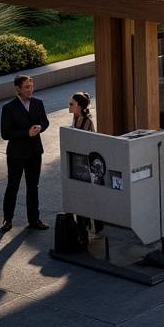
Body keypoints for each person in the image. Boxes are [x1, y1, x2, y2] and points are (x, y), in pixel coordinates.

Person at [0, 74, 50, 232]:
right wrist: (26, 133)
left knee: (33, 186)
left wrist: (40, 128)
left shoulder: (38, 103)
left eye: (32, 86)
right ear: (18, 89)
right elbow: (5, 133)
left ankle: (34, 219)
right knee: (13, 186)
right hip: (16, 154)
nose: (31, 89)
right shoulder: (8, 108)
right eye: (27, 87)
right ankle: (8, 219)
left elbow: (45, 121)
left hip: (35, 152)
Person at [67, 91, 100, 239]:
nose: (69, 106)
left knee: (86, 197)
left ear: (79, 106)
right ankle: (82, 227)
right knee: (78, 196)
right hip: (77, 164)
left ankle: (88, 228)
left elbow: (87, 144)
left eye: (71, 104)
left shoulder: (87, 122)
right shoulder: (75, 118)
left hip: (87, 166)